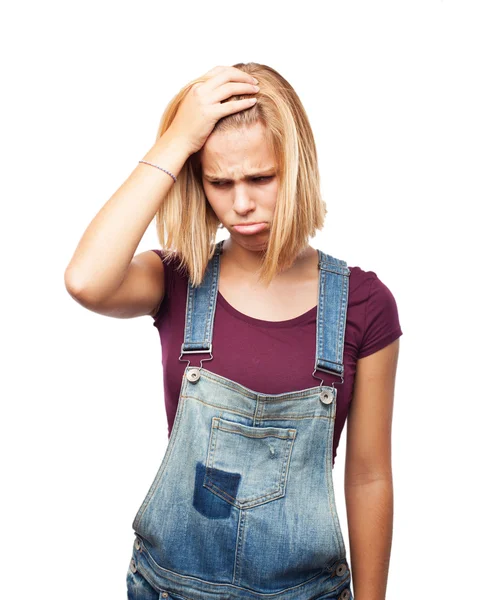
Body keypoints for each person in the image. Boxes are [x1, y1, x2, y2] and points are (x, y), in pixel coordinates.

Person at [64, 63, 402, 600]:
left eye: (260, 178)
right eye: (219, 182)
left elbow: (368, 477)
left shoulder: (363, 304)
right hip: (170, 589)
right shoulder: (178, 279)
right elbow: (85, 281)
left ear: (297, 168)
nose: (240, 204)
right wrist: (178, 138)